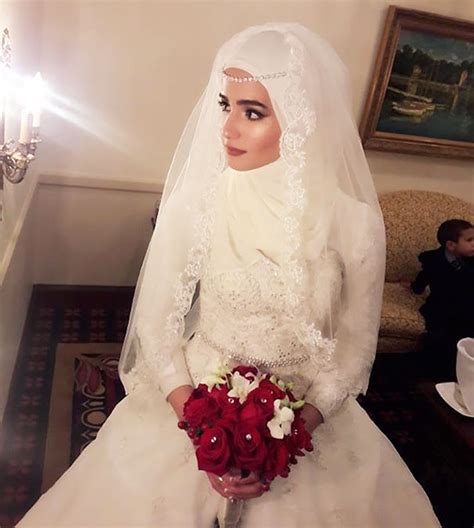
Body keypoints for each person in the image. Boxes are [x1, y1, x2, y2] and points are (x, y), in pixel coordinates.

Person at [19, 23, 440, 527]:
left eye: (253, 112)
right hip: (193, 401)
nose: (228, 128)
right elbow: (156, 326)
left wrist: (288, 437)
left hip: (310, 418)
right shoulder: (195, 205)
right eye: (226, 106)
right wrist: (203, 428)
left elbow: (353, 354)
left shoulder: (355, 225)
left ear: (302, 120)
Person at [410, 219, 474, 379]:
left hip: (467, 306)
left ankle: (464, 372)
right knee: (440, 335)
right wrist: (414, 287)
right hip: (442, 306)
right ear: (451, 245)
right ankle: (436, 375)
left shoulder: (471, 259)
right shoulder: (433, 261)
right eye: (469, 240)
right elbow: (422, 279)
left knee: (467, 330)